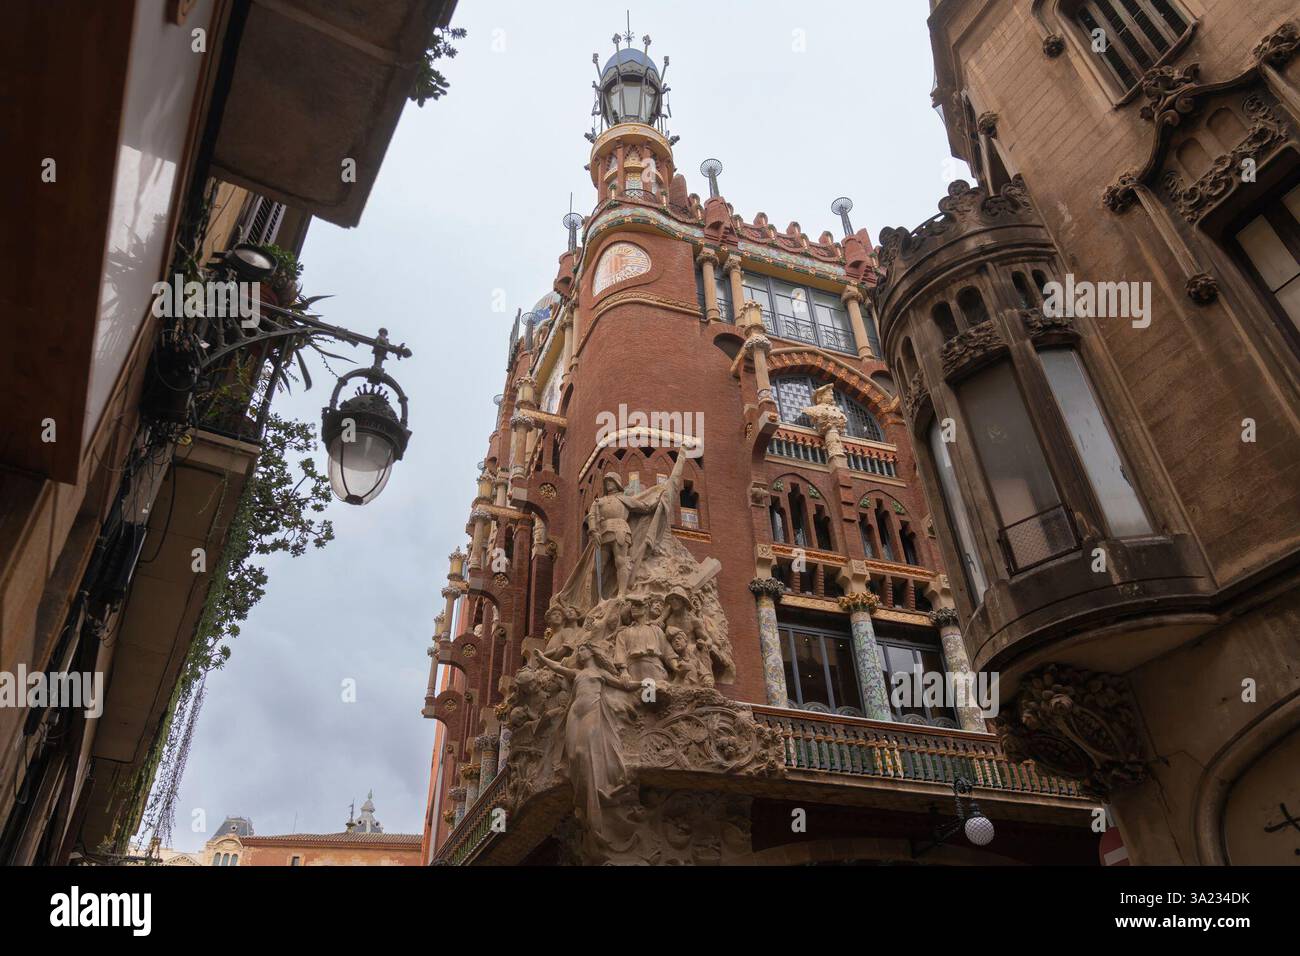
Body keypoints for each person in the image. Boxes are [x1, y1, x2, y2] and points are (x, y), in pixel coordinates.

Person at [530, 643, 639, 832]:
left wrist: (645, 684)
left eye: (583, 649)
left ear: (592, 652)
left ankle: (599, 790)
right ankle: (582, 798)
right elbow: (558, 668)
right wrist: (542, 659)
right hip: (575, 712)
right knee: (573, 755)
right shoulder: (577, 673)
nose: (580, 653)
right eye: (578, 650)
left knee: (584, 751)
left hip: (592, 710)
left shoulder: (601, 674)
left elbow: (623, 685)